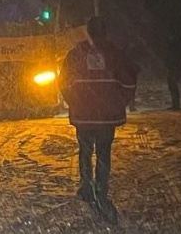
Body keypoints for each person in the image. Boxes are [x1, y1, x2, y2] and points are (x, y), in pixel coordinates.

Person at [60, 17, 137, 220]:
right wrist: (120, 102)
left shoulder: (77, 53)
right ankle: (101, 189)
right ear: (105, 31)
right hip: (106, 116)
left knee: (85, 150)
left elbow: (63, 81)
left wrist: (74, 102)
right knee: (104, 153)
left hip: (83, 115)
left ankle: (86, 185)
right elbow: (129, 81)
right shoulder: (115, 53)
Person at [166, 31, 181, 110]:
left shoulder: (176, 48)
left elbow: (178, 59)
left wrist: (177, 68)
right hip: (172, 68)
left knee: (173, 85)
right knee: (171, 86)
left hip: (175, 68)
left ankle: (176, 105)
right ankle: (175, 104)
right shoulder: (172, 47)